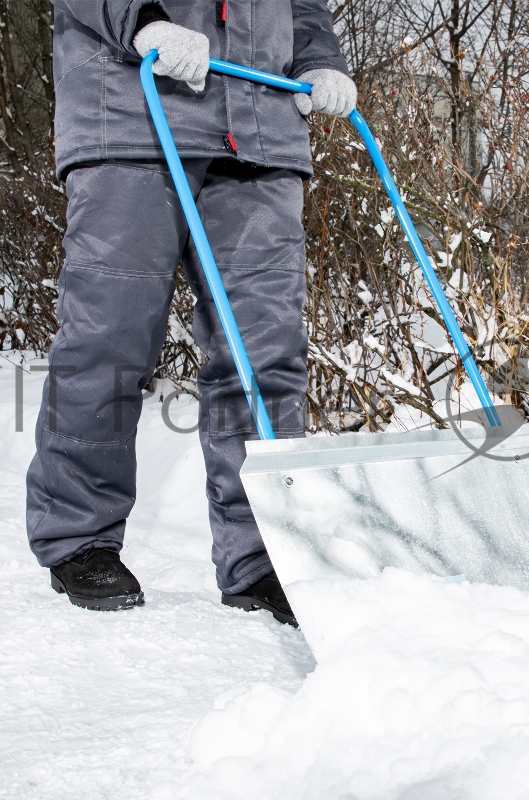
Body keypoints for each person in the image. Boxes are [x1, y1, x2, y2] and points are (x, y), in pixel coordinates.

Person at [26, 1, 356, 626]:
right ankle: (79, 535)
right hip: (131, 108)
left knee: (266, 352)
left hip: (260, 123)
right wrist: (141, 17)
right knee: (110, 338)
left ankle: (262, 552)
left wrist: (317, 56)